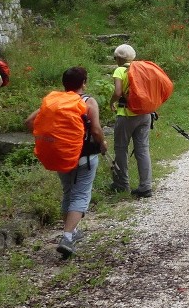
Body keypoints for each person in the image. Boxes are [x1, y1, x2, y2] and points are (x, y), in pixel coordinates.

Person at [26, 66, 107, 259]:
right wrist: (102, 143)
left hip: (60, 155)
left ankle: (71, 231)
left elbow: (29, 121)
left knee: (68, 193)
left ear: (65, 83)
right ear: (84, 83)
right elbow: (95, 130)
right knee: (80, 195)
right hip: (84, 158)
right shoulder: (88, 102)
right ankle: (68, 236)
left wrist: (52, 137)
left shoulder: (54, 102)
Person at [108, 43, 153, 198]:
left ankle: (122, 184)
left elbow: (118, 92)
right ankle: (146, 186)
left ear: (119, 58)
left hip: (127, 114)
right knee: (143, 149)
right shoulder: (141, 69)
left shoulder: (120, 70)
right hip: (145, 114)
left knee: (121, 148)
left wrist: (111, 101)